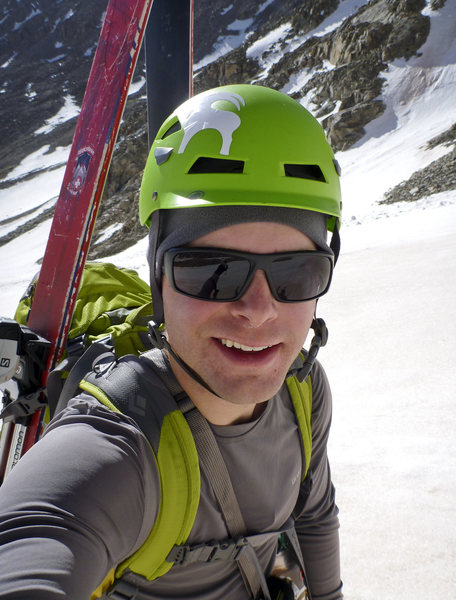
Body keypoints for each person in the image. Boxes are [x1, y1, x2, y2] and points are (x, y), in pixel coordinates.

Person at [0, 84, 343, 600]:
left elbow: (315, 511)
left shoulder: (303, 390)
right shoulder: (117, 451)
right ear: (159, 279)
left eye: (297, 273)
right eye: (213, 272)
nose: (258, 309)